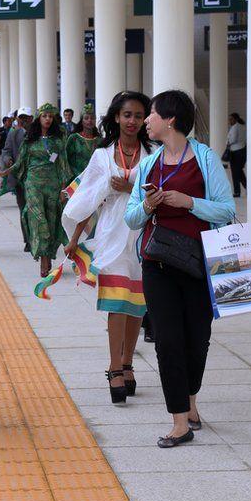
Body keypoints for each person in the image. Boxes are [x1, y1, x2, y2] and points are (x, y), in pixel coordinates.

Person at [124, 90, 235, 448]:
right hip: (158, 263)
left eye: (151, 114)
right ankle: (178, 421)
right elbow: (130, 218)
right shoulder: (148, 164)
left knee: (196, 340)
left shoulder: (204, 159)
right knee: (167, 341)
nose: (146, 121)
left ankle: (191, 400)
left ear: (170, 120)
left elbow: (226, 209)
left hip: (199, 263)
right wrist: (148, 203)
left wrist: (189, 203)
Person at [63, 91, 152, 404]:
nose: (132, 121)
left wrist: (131, 188)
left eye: (139, 116)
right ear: (116, 117)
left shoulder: (153, 153)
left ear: (146, 120)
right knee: (116, 302)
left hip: (143, 235)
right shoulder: (102, 155)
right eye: (127, 115)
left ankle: (128, 363)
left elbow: (160, 192)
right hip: (112, 235)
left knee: (136, 304)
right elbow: (89, 196)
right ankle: (115, 368)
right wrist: (74, 239)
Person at [0, 103, 73, 277]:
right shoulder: (29, 140)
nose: (47, 119)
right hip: (33, 184)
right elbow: (20, 163)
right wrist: (3, 172)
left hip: (53, 185)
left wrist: (63, 189)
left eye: (50, 116)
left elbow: (62, 164)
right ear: (39, 118)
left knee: (51, 220)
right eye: (44, 116)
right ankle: (43, 260)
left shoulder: (57, 140)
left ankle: (47, 254)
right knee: (39, 220)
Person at [0, 107, 34, 252]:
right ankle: (28, 240)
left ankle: (38, 238)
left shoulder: (38, 134)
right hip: (20, 179)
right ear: (17, 119)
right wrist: (7, 159)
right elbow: (6, 151)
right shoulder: (13, 134)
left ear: (31, 119)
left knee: (36, 210)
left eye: (26, 118)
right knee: (24, 210)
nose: (24, 120)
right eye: (21, 118)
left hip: (36, 178)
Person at [66, 103, 100, 177]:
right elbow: (67, 160)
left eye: (92, 118)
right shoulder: (74, 138)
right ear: (82, 121)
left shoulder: (99, 139)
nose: (90, 120)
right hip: (77, 178)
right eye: (86, 118)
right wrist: (79, 175)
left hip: (95, 177)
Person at [226, 113, 247, 196]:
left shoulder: (235, 127)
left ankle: (237, 192)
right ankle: (247, 187)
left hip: (235, 151)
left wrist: (228, 142)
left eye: (231, 119)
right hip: (242, 150)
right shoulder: (242, 126)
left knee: (235, 172)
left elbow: (233, 139)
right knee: (239, 171)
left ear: (235, 119)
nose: (229, 121)